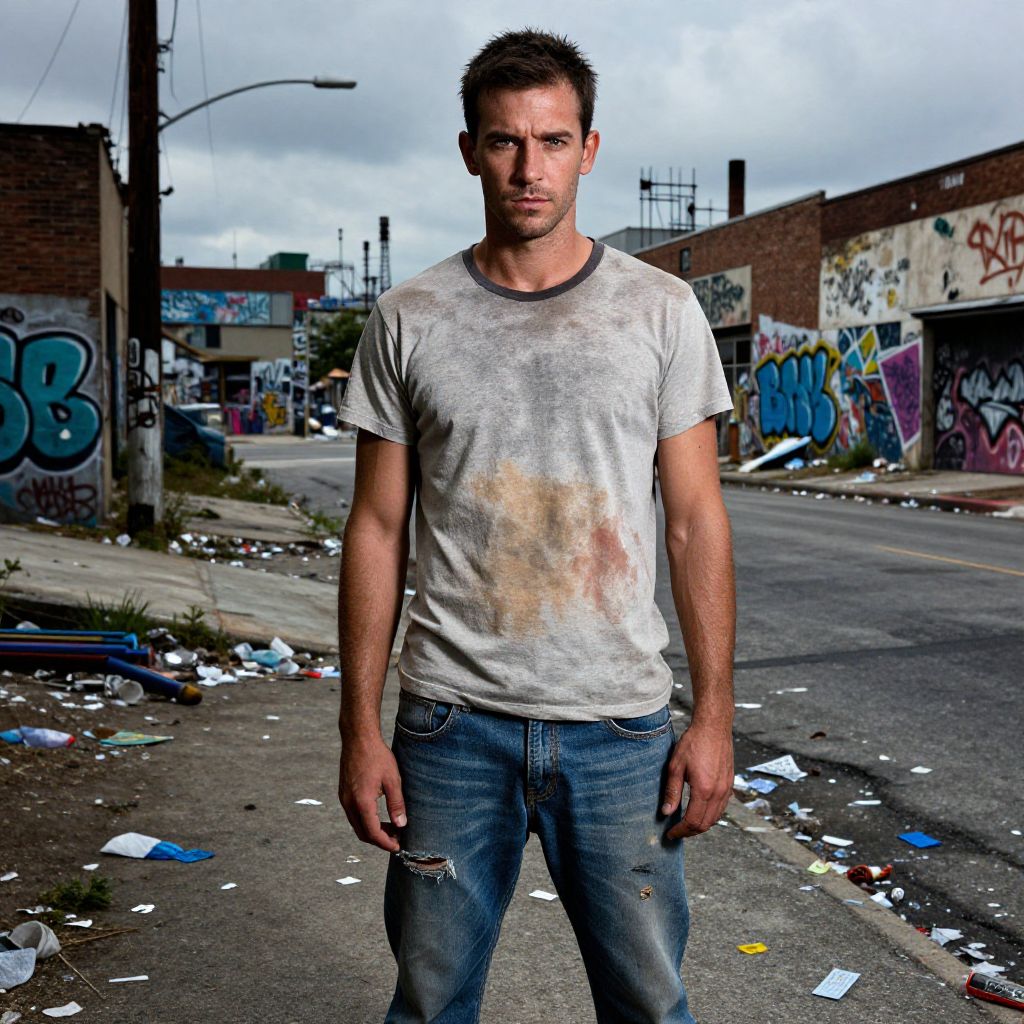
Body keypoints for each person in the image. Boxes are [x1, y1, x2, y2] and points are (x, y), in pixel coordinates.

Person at [337, 28, 736, 1024]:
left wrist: (715, 717)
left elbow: (693, 521)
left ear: (589, 150)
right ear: (469, 149)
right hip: (450, 726)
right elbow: (377, 527)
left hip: (619, 727)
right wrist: (356, 728)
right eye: (506, 141)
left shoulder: (660, 312)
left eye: (553, 140)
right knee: (430, 1006)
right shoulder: (408, 319)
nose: (530, 166)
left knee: (650, 1006)